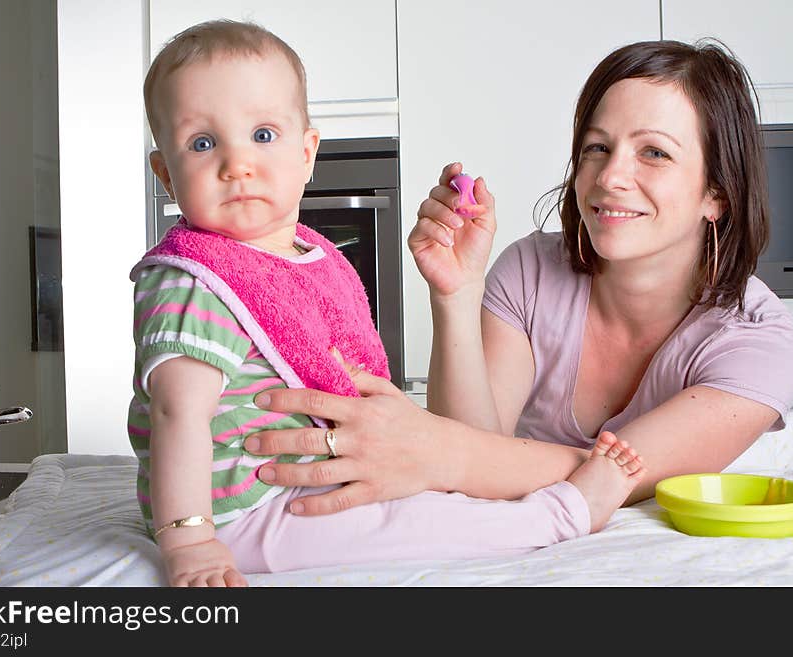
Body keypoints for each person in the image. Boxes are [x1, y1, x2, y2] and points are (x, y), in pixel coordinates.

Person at [128, 19, 647, 587]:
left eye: (263, 135)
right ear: (166, 175)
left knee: (435, 488)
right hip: (247, 511)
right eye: (203, 143)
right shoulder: (194, 281)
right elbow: (177, 414)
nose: (237, 163)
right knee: (431, 524)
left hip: (307, 479)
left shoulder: (307, 259)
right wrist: (191, 540)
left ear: (307, 154)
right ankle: (563, 513)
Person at [244, 39, 793, 518]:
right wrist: (457, 293)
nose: (609, 176)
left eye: (654, 152)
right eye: (597, 147)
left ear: (717, 193)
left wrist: (434, 447)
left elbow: (617, 477)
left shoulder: (761, 343)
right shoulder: (532, 270)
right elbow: (470, 456)